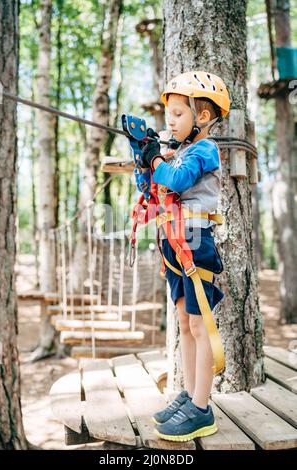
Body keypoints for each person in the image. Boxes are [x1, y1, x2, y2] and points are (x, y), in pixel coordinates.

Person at [139, 70, 230, 442]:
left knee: (199, 324)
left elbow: (176, 181)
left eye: (177, 114)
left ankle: (202, 407)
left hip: (196, 242)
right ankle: (190, 395)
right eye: (168, 115)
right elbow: (154, 183)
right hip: (175, 240)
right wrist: (146, 156)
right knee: (183, 319)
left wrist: (158, 163)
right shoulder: (178, 152)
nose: (169, 121)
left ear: (202, 117)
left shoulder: (205, 150)